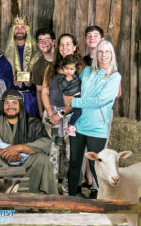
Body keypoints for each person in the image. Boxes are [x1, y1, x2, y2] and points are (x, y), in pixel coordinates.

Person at [64, 40, 121, 197]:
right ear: (96, 54)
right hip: (79, 123)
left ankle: (105, 196)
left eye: (107, 52)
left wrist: (74, 102)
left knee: (95, 163)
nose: (103, 55)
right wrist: (65, 93)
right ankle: (72, 195)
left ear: (112, 55)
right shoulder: (87, 71)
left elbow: (99, 100)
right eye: (100, 52)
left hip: (97, 127)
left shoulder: (115, 77)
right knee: (75, 162)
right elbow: (76, 88)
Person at [0, 89, 58, 195]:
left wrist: (19, 148)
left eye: (14, 102)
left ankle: (33, 198)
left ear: (20, 105)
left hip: (26, 163)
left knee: (42, 159)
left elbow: (45, 143)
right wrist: (5, 152)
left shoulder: (33, 123)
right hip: (2, 162)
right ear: (2, 105)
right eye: (7, 103)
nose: (10, 106)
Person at [41, 33, 84, 190]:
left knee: (69, 152)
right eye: (62, 45)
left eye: (68, 44)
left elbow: (81, 96)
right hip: (52, 115)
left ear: (74, 47)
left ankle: (68, 187)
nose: (65, 47)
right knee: (52, 152)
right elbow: (44, 91)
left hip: (71, 115)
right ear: (58, 48)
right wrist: (51, 113)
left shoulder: (81, 69)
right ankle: (51, 187)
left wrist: (62, 113)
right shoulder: (51, 67)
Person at [4, 16, 39, 117]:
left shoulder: (36, 51)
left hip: (31, 98)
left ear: (27, 30)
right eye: (16, 27)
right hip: (11, 98)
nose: (20, 30)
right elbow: (0, 76)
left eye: (22, 27)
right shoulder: (4, 52)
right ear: (12, 31)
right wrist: (11, 81)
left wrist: (33, 81)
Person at [31, 28, 56, 119]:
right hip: (49, 109)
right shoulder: (37, 65)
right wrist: (41, 112)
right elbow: (39, 90)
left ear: (53, 42)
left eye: (47, 40)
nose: (43, 43)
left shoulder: (62, 59)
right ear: (38, 44)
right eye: (40, 40)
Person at [57, 54, 81, 136]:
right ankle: (70, 126)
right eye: (66, 68)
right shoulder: (62, 78)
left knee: (79, 112)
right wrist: (66, 80)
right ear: (63, 68)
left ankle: (71, 122)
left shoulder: (77, 76)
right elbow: (60, 87)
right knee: (77, 112)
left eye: (71, 69)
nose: (69, 71)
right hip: (68, 97)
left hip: (77, 95)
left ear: (75, 69)